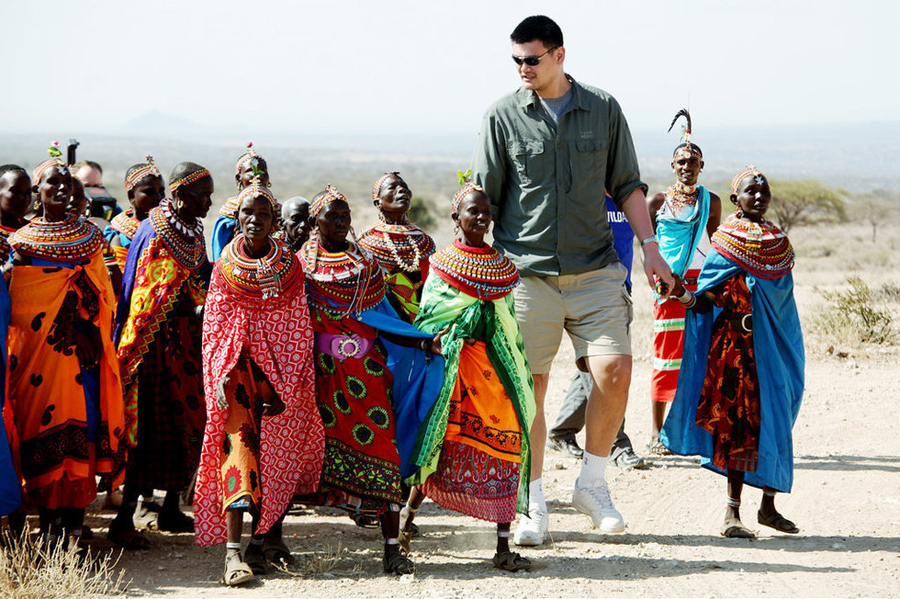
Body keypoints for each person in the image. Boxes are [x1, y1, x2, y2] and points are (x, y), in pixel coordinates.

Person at [470, 15, 672, 545]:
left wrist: (651, 250)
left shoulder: (603, 109)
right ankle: (532, 503)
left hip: (596, 270)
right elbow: (483, 199)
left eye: (531, 59)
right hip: (525, 275)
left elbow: (627, 185)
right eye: (515, 60)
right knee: (528, 392)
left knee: (614, 371)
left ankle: (593, 485)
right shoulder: (501, 116)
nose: (522, 70)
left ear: (559, 56)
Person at [299, 185, 444, 575]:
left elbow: (385, 320)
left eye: (345, 214)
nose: (342, 221)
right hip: (318, 377)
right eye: (333, 215)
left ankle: (392, 549)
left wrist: (423, 341)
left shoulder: (364, 268)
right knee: (301, 454)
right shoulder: (301, 269)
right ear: (317, 222)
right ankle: (269, 542)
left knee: (384, 451)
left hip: (366, 375)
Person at [661, 166, 803, 539]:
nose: (759, 196)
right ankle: (732, 513)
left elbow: (783, 305)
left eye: (764, 190)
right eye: (751, 191)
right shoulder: (725, 240)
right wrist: (681, 294)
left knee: (777, 419)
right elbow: (707, 300)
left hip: (774, 347)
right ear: (736, 200)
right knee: (737, 426)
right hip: (735, 350)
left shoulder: (779, 242)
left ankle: (769, 508)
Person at [402, 177, 535, 572]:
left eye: (487, 212)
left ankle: (502, 546)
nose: (481, 217)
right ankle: (407, 518)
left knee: (508, 443)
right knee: (437, 443)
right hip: (455, 372)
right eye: (473, 211)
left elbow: (508, 323)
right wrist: (463, 326)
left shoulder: (503, 268)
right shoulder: (441, 266)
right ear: (456, 217)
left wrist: (487, 325)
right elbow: (431, 317)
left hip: (497, 371)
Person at [195, 180, 322, 586]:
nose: (255, 221)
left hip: (280, 380)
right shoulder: (226, 268)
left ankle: (264, 540)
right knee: (239, 453)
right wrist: (220, 370)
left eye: (263, 215)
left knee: (278, 456)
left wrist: (289, 373)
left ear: (274, 222)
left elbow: (298, 324)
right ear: (237, 217)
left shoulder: (289, 267)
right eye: (248, 213)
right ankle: (233, 556)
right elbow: (214, 326)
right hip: (237, 376)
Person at [7, 144, 124, 550]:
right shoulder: (22, 242)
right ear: (37, 191)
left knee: (84, 431)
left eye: (67, 183)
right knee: (39, 429)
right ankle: (49, 525)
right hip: (38, 356)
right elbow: (20, 305)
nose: (61, 189)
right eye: (51, 183)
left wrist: (88, 329)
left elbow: (103, 292)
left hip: (81, 358)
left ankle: (73, 525)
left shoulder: (90, 236)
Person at [109, 162, 212, 546]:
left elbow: (200, 276)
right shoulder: (156, 229)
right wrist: (194, 307)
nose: (209, 202)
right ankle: (123, 519)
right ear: (182, 195)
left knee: (184, 422)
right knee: (146, 428)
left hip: (181, 343)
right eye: (203, 195)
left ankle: (171, 508)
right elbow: (150, 293)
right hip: (148, 347)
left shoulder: (192, 229)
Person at [547, 194, 645, 470]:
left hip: (621, 291)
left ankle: (562, 432)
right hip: (592, 296)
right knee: (606, 369)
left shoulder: (631, 200)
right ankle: (617, 445)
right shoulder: (584, 197)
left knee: (594, 367)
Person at [646, 109, 721, 454]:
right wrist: (659, 278)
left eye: (693, 161)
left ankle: (699, 431)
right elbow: (648, 247)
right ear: (672, 165)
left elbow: (717, 246)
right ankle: (657, 433)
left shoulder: (711, 202)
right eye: (681, 161)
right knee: (667, 357)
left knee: (702, 354)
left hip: (701, 284)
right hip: (668, 285)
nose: (687, 166)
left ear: (701, 167)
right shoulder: (657, 202)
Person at [358, 172, 436, 322]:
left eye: (404, 187)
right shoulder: (366, 243)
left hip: (426, 320)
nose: (401, 190)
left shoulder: (424, 241)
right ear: (377, 202)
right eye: (392, 187)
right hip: (386, 323)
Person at [104, 156, 166, 274]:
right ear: (131, 196)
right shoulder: (120, 237)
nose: (158, 197)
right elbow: (121, 281)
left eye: (161, 191)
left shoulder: (168, 229)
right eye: (149, 192)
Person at [211, 143, 270, 262]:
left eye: (262, 171)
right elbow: (220, 259)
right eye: (250, 172)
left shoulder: (278, 210)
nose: (257, 176)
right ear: (238, 178)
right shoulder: (227, 220)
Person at [0, 165, 31, 267]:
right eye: (16, 191)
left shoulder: (34, 232)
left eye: (28, 193)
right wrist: (5, 271)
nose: (24, 198)